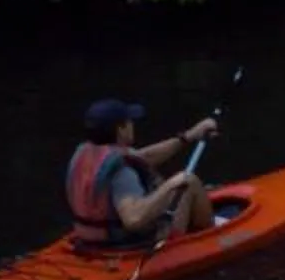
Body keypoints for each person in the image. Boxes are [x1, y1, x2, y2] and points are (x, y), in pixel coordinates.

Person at [65, 97, 222, 251]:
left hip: (90, 240)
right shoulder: (123, 173)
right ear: (121, 129)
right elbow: (134, 219)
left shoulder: (88, 155)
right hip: (131, 244)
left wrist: (188, 136)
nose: (133, 125)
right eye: (129, 122)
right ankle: (211, 236)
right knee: (189, 182)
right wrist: (172, 184)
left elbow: (145, 158)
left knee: (174, 182)